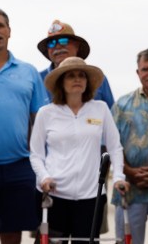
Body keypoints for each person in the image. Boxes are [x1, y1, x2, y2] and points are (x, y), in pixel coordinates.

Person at [29, 57, 128, 241]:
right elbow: (36, 154)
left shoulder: (101, 109)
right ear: (61, 82)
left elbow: (115, 147)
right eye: (71, 76)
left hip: (91, 196)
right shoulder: (46, 113)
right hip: (54, 195)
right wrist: (44, 177)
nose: (77, 79)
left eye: (82, 75)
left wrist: (119, 177)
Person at [0, 9, 48, 244]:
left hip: (19, 166)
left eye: (0, 25)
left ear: (9, 31)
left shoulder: (28, 72)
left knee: (11, 233)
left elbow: (40, 121)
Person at [111, 49, 148, 244]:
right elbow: (112, 144)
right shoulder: (122, 104)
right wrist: (129, 171)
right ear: (138, 73)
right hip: (129, 189)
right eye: (145, 69)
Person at [37, 20, 114, 107]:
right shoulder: (37, 80)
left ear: (77, 46)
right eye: (51, 43)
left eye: (63, 41)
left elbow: (112, 114)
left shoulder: (98, 79)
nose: (57, 46)